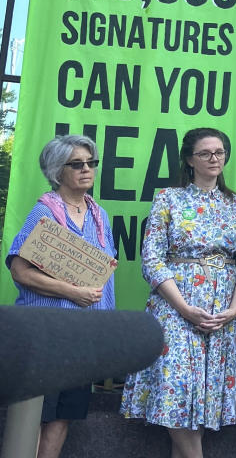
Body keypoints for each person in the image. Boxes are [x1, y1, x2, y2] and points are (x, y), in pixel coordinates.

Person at [120, 128, 236, 458]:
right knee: (176, 395)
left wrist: (234, 309)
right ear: (189, 160)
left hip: (222, 314)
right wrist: (183, 307)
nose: (215, 159)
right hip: (175, 310)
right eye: (206, 153)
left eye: (220, 152)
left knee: (198, 406)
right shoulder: (169, 198)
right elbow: (152, 258)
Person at [5, 135, 116, 458]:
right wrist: (73, 292)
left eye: (91, 163)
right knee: (35, 417)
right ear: (57, 170)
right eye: (77, 164)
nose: (87, 169)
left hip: (80, 338)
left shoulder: (99, 215)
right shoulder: (45, 211)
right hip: (44, 335)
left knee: (64, 415)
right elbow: (20, 271)